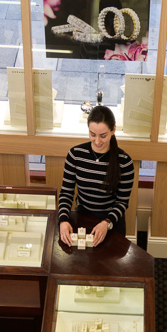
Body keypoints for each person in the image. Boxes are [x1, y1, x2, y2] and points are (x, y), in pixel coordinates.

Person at [58, 105, 134, 247]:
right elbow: (66, 193)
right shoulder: (75, 155)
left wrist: (107, 223)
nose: (97, 141)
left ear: (113, 130)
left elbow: (122, 202)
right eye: (92, 134)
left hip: (111, 221)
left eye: (103, 136)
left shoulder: (125, 162)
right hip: (83, 216)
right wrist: (63, 220)